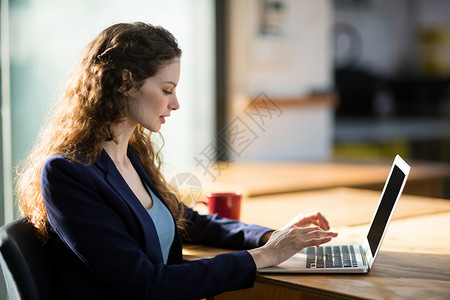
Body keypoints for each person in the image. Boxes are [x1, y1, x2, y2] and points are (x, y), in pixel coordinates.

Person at [16, 22, 338, 300]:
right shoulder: (67, 173)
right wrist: (262, 257)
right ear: (126, 82)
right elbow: (146, 284)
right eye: (167, 90)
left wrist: (272, 237)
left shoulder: (129, 154)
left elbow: (191, 222)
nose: (176, 104)